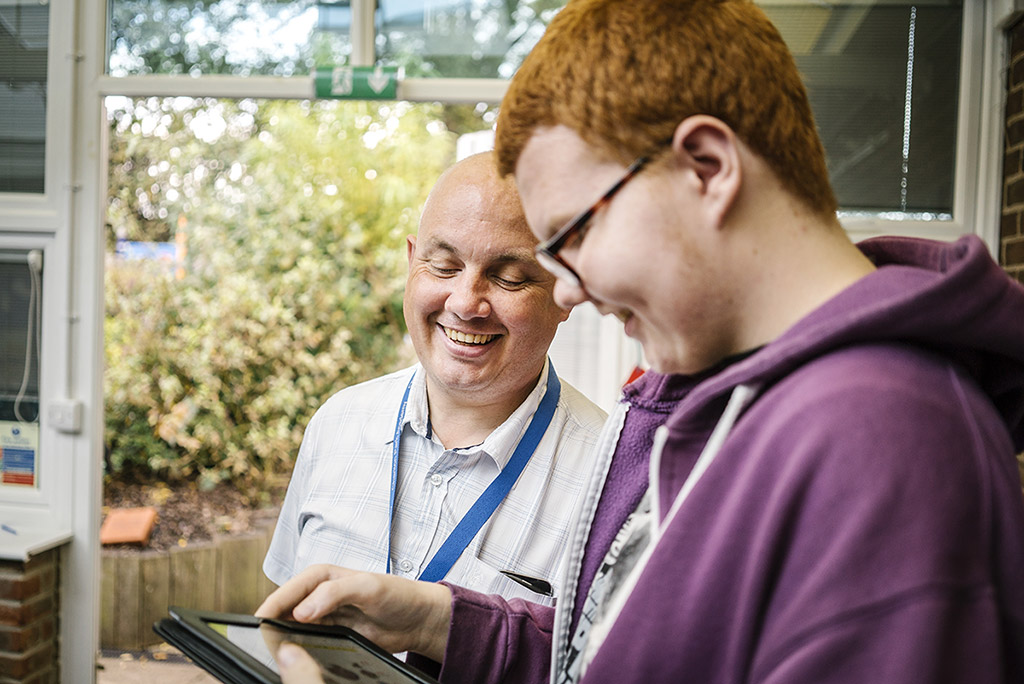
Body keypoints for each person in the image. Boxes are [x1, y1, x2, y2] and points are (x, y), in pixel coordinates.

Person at [260, 1, 1024, 682]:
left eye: (571, 236)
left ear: (709, 168)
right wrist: (443, 622)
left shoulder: (888, 446)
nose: (569, 290)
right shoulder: (711, 401)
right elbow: (624, 651)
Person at [262, 151, 609, 606]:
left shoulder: (609, 481)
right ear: (411, 262)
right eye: (444, 267)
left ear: (566, 291)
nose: (466, 304)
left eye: (508, 278)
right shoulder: (337, 422)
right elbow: (282, 615)